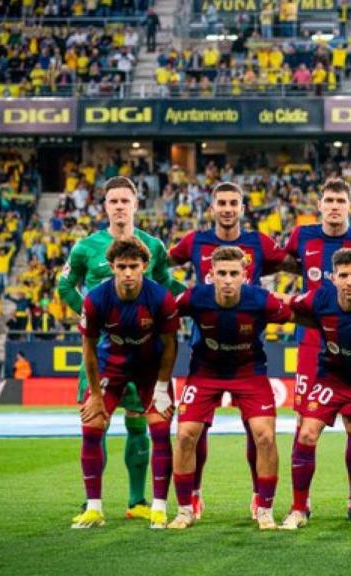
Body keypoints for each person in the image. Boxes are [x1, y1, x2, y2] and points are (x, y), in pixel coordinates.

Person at [58, 176, 180, 523]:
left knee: (140, 424)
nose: (119, 206)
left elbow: (166, 287)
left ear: (136, 205)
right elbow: (65, 284)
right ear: (105, 206)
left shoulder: (153, 246)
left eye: (125, 200)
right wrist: (89, 316)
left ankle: (138, 500)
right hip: (103, 350)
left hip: (145, 350)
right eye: (113, 201)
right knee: (95, 419)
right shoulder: (85, 247)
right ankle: (91, 503)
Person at [169, 181, 288, 519]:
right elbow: (162, 269)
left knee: (262, 434)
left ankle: (260, 502)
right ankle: (190, 498)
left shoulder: (259, 245)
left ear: (241, 207)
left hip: (249, 362)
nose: (226, 208)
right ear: (212, 207)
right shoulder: (195, 246)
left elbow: (289, 269)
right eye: (221, 202)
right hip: (204, 359)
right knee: (191, 432)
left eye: (232, 202)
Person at [280, 178, 351, 521]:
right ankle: (300, 503)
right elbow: (284, 264)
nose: (334, 206)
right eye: (328, 200)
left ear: (350, 205)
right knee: (304, 420)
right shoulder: (301, 235)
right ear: (319, 205)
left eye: (340, 200)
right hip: (317, 337)